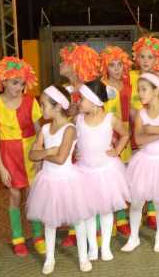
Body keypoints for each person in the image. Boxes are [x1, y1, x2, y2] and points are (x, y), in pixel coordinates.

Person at [27, 85, 91, 274]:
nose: (41, 108)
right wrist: (48, 151)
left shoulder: (69, 129)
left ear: (57, 107)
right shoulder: (45, 128)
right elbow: (32, 154)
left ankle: (83, 257)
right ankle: (50, 258)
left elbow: (61, 158)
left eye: (43, 105)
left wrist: (43, 154)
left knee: (77, 220)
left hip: (67, 179)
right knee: (50, 221)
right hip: (48, 180)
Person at [0, 57, 45, 257]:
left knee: (32, 196)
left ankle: (38, 235)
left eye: (22, 83)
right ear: (3, 81)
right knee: (15, 196)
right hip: (9, 158)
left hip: (30, 155)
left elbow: (39, 131)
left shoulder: (30, 102)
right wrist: (1, 167)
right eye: (14, 83)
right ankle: (18, 237)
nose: (19, 88)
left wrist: (39, 157)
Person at [121, 73, 159, 253]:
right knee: (136, 202)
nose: (140, 93)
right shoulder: (141, 113)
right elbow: (139, 140)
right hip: (144, 162)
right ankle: (133, 237)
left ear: (156, 91)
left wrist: (152, 129)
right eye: (139, 90)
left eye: (143, 89)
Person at [74, 79, 131, 262]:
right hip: (84, 172)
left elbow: (125, 134)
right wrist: (75, 151)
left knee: (106, 211)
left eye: (82, 99)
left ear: (94, 101)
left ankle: (105, 246)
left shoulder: (110, 119)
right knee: (89, 211)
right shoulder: (78, 119)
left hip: (106, 171)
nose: (79, 102)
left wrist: (117, 150)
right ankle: (92, 246)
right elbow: (75, 140)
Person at [57, 43, 101, 247]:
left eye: (64, 61)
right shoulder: (64, 91)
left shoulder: (91, 92)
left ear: (76, 65)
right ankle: (76, 229)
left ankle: (97, 228)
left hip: (88, 146)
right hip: (70, 146)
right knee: (75, 190)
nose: (60, 64)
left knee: (93, 188)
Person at [99, 46, 134, 235]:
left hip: (126, 133)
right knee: (109, 179)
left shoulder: (129, 85)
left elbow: (134, 110)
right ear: (105, 67)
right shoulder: (101, 86)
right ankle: (110, 219)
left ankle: (121, 218)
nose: (117, 69)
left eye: (119, 64)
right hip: (109, 134)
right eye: (112, 65)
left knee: (123, 178)